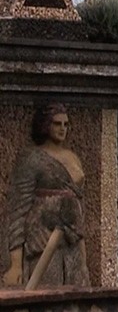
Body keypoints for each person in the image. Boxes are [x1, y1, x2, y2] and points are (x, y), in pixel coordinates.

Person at [3, 104, 89, 288]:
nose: (62, 129)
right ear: (45, 125)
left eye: (66, 124)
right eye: (57, 124)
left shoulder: (73, 157)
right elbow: (18, 209)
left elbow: (79, 201)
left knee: (77, 297)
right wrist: (15, 264)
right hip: (43, 239)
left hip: (72, 239)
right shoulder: (32, 158)